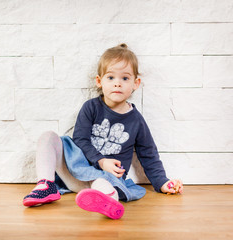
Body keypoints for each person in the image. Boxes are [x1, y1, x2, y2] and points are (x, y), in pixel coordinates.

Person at [22, 43, 183, 219]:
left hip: (105, 179)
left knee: (102, 182)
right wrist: (101, 160)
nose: (118, 84)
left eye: (125, 78)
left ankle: (108, 202)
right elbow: (80, 139)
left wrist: (162, 182)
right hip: (77, 171)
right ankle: (45, 185)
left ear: (136, 83)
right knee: (49, 137)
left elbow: (148, 154)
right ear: (99, 81)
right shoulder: (91, 107)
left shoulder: (136, 120)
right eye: (111, 78)